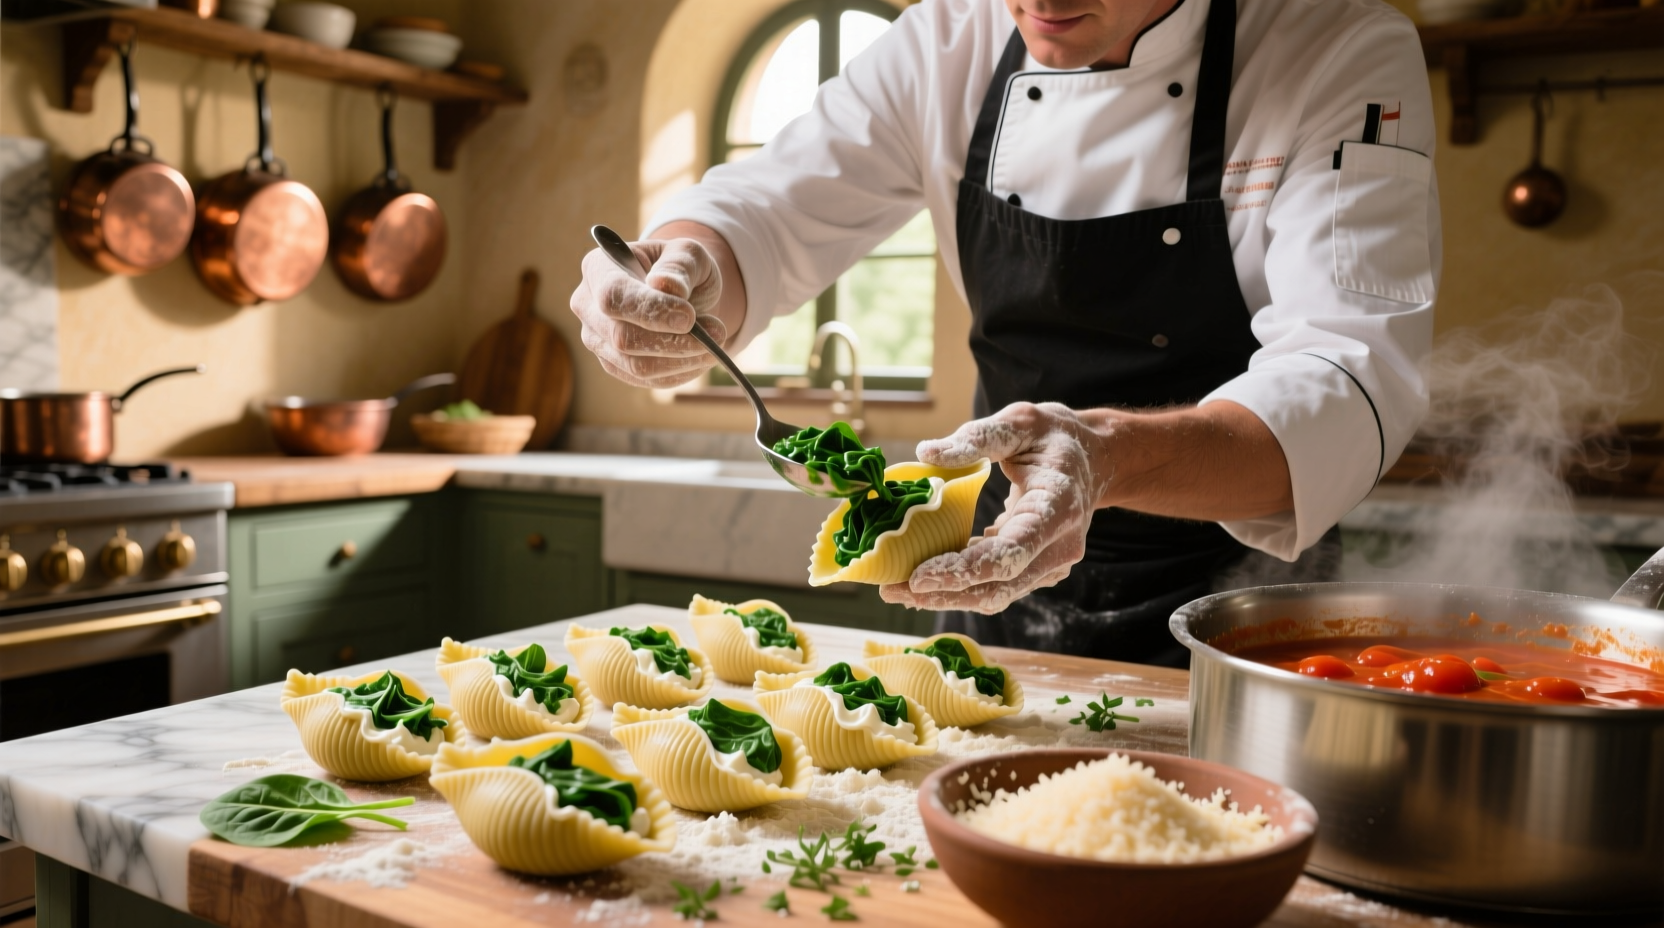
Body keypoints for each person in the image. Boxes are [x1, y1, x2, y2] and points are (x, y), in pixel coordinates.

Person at [569, 0, 1439, 665]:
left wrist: (1104, 453)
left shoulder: (1335, 45)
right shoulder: (947, 37)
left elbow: (1351, 371)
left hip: (1237, 610)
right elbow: (769, 204)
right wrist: (686, 265)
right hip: (995, 576)